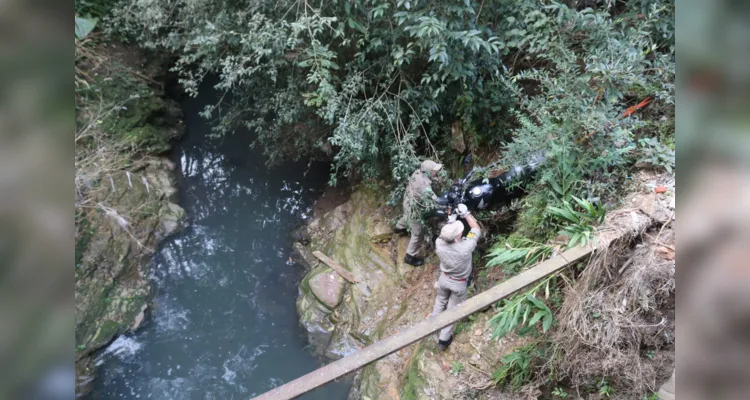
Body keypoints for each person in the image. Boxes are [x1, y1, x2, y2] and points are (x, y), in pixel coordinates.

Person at [431, 203, 480, 350]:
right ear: (458, 237)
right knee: (452, 311)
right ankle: (444, 340)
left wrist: (451, 221)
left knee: (440, 302)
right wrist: (466, 214)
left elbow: (445, 235)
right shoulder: (465, 247)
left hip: (444, 279)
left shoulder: (439, 243)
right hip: (459, 283)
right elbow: (475, 229)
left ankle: (432, 328)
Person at [395, 159, 443, 266]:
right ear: (428, 171)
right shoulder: (423, 184)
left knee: (407, 216)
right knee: (418, 234)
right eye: (434, 171)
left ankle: (399, 227)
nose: (436, 172)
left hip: (408, 202)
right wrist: (441, 201)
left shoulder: (417, 172)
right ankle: (410, 257)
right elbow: (432, 196)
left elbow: (428, 180)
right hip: (414, 208)